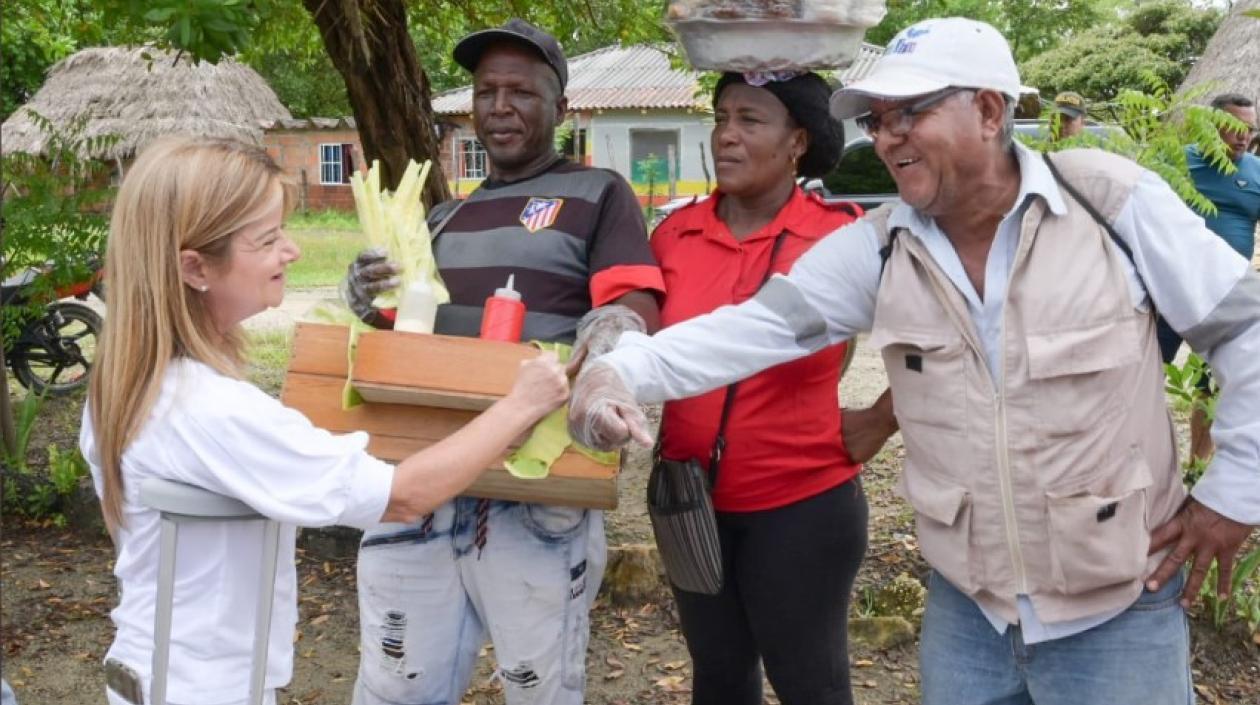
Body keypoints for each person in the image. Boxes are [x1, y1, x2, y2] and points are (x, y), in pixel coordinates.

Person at [568, 18, 1260, 705]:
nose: (887, 134)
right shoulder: (880, 248)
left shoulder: (1108, 202)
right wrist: (620, 369)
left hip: (1117, 608)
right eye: (877, 117)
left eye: (910, 112)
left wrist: (1234, 491)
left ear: (989, 109)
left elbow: (1248, 329)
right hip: (970, 613)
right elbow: (749, 330)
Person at [82, 136, 570, 705]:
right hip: (206, 688)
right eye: (267, 240)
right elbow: (404, 495)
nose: (290, 251)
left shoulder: (130, 378)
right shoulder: (211, 408)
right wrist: (521, 405)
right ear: (195, 268)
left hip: (152, 666)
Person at [341, 19, 664, 705]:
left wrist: (606, 377)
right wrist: (368, 298)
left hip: (534, 489)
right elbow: (405, 335)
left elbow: (630, 312)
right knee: (397, 687)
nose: (500, 107)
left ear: (561, 109)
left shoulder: (600, 195)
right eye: (487, 92)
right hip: (426, 481)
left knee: (538, 690)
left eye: (521, 91)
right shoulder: (442, 220)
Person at [647, 71, 896, 705]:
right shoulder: (671, 237)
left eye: (750, 121)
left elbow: (938, 331)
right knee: (720, 679)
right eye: (722, 117)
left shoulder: (840, 237)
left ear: (797, 143)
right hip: (687, 499)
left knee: (810, 684)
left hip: (801, 506)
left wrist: (882, 418)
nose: (726, 135)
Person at [1155, 93, 1260, 461]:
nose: (1244, 136)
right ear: (1210, 124)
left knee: (1210, 386)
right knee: (1147, 378)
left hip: (1224, 299)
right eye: (1235, 128)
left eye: (1250, 129)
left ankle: (1197, 464)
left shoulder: (1257, 172)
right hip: (1169, 292)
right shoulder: (1177, 164)